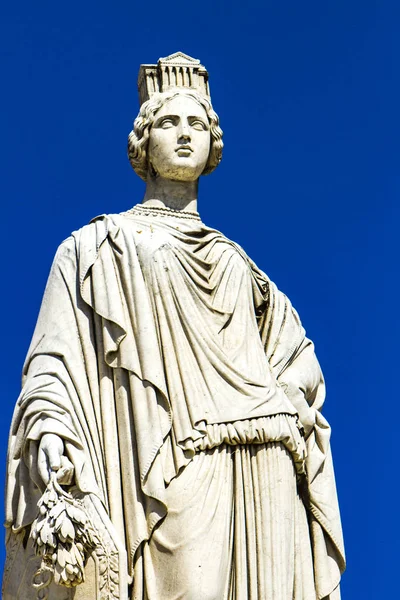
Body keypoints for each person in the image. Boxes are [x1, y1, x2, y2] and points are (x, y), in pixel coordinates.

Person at [3, 53, 345, 600]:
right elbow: (54, 356)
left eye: (197, 124)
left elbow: (297, 353)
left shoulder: (241, 264)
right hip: (172, 460)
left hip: (264, 458)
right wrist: (51, 427)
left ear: (213, 143)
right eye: (168, 122)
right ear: (142, 141)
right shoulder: (96, 246)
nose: (184, 134)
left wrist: (283, 400)